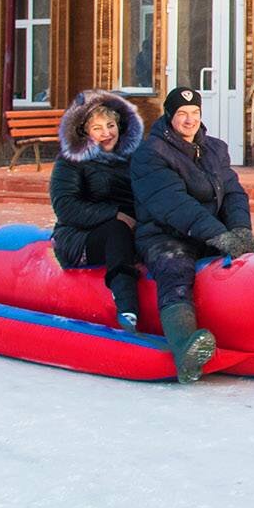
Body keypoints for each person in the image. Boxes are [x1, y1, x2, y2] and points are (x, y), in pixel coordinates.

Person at [130, 87, 254, 384]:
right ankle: (185, 348)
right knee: (175, 267)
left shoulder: (215, 148)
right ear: (169, 116)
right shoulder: (150, 153)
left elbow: (233, 193)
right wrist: (217, 235)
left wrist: (240, 230)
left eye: (195, 114)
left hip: (207, 234)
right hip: (164, 234)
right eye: (182, 114)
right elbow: (173, 204)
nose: (189, 121)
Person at [48, 90, 145, 333]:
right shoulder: (71, 162)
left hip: (130, 225)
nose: (107, 133)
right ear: (84, 131)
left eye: (111, 125)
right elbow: (66, 207)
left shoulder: (134, 158)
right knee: (117, 232)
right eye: (98, 128)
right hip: (81, 235)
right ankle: (127, 307)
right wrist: (115, 214)